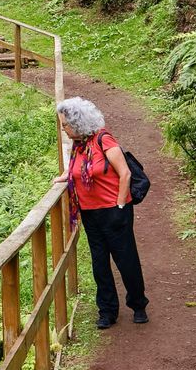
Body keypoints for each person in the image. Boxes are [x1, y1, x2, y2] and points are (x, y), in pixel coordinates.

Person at [58, 95, 149, 328]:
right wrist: (63, 178)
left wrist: (120, 205)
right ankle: (107, 311)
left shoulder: (103, 140)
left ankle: (138, 304)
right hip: (90, 213)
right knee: (100, 263)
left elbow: (125, 174)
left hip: (115, 211)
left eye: (65, 125)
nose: (64, 129)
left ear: (77, 123)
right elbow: (76, 171)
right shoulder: (78, 147)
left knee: (125, 259)